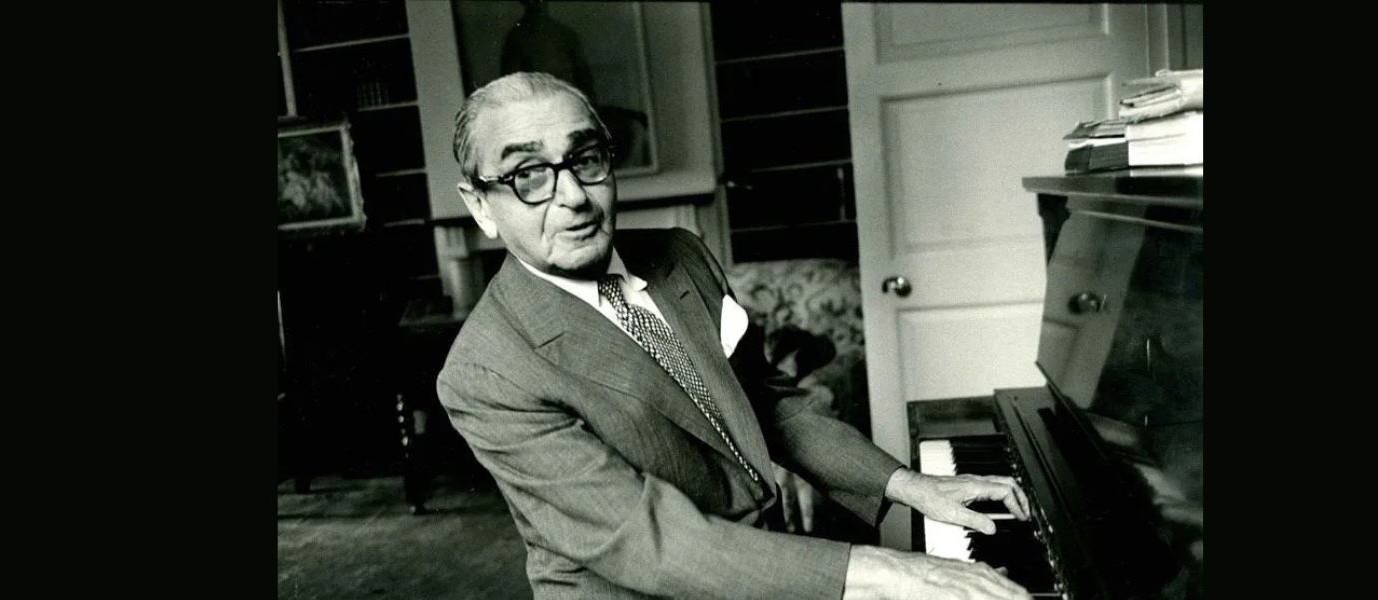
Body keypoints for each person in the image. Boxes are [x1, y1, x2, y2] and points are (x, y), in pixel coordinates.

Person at [437, 71, 1034, 600]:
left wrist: (908, 484)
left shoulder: (680, 252)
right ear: (482, 207)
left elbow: (768, 402)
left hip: (768, 565)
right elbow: (646, 538)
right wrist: (890, 573)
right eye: (528, 175)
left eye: (586, 158)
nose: (572, 197)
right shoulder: (486, 373)